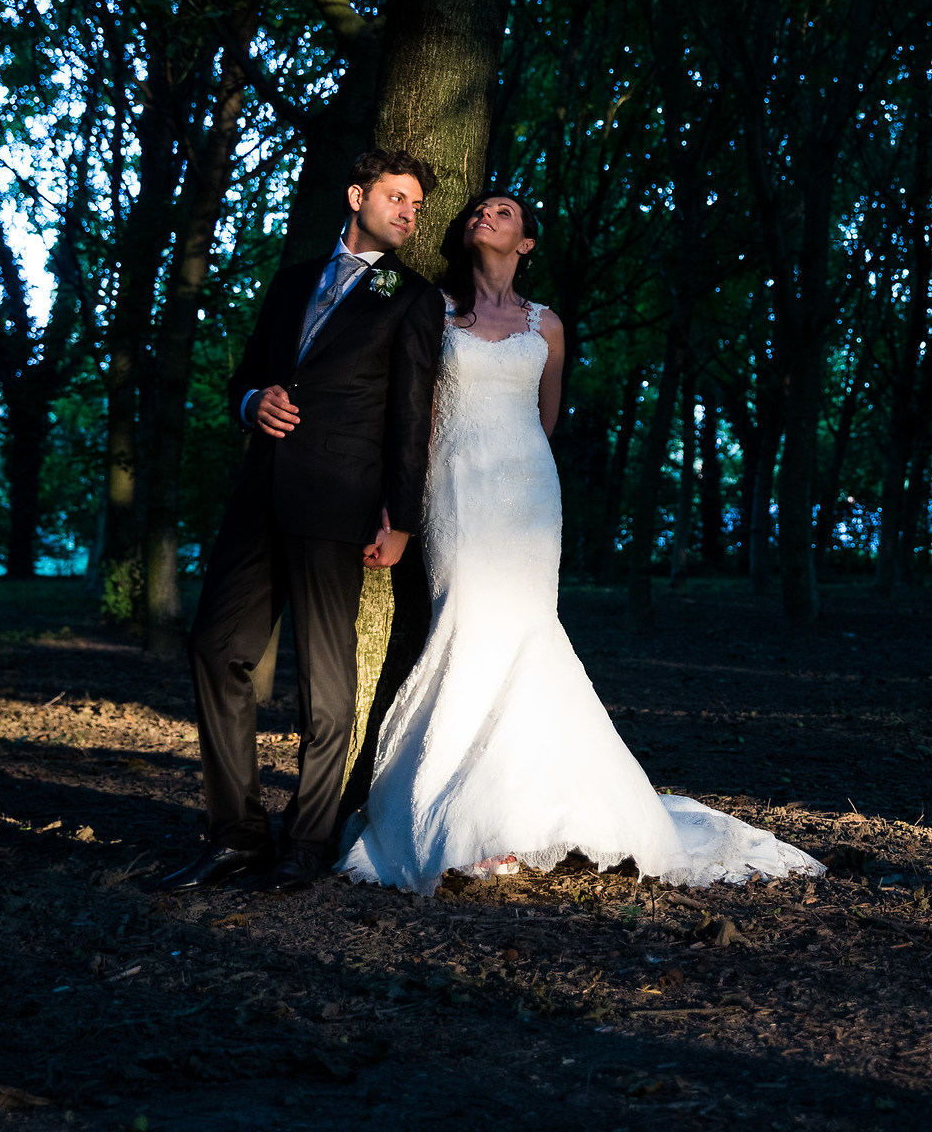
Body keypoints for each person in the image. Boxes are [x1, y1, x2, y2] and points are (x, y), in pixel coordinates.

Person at [340, 192, 822, 893]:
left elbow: (545, 415)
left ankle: (528, 811)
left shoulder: (549, 325)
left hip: (528, 494)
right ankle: (462, 816)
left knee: (530, 631)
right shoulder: (432, 312)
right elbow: (415, 417)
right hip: (454, 487)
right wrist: (399, 504)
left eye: (504, 213)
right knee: (467, 624)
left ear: (526, 244)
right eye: (479, 210)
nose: (487, 217)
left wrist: (517, 466)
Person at [161, 150, 444, 894]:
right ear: (356, 195)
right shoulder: (290, 281)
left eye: (416, 205)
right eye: (396, 196)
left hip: (340, 504)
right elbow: (245, 373)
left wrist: (403, 519)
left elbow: (413, 418)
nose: (409, 212)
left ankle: (306, 843)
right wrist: (252, 403)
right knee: (215, 648)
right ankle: (236, 837)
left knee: (326, 683)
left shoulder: (412, 297)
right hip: (258, 499)